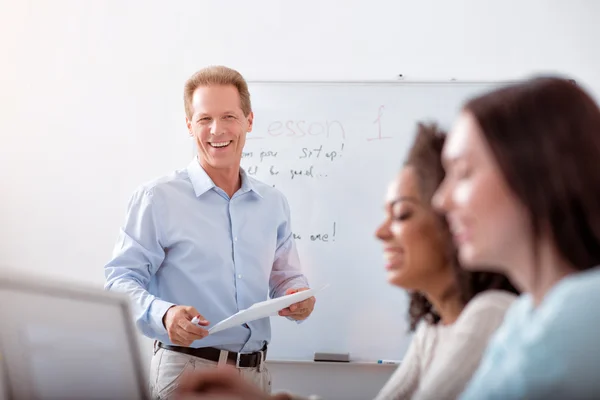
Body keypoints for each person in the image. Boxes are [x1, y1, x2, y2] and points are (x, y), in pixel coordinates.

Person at [173, 123, 519, 400]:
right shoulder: (435, 330)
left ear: (453, 222)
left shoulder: (489, 316)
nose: (381, 232)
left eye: (401, 214)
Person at [104, 65, 315, 400]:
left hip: (255, 376)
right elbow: (119, 281)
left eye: (229, 116)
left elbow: (284, 276)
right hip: (186, 374)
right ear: (190, 126)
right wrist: (165, 313)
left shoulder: (273, 202)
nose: (217, 130)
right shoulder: (157, 198)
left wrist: (298, 295)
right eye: (204, 119)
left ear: (249, 121)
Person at [433, 77, 600, 399]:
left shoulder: (583, 315)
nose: (441, 200)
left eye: (464, 172)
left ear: (536, 172)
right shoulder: (524, 316)